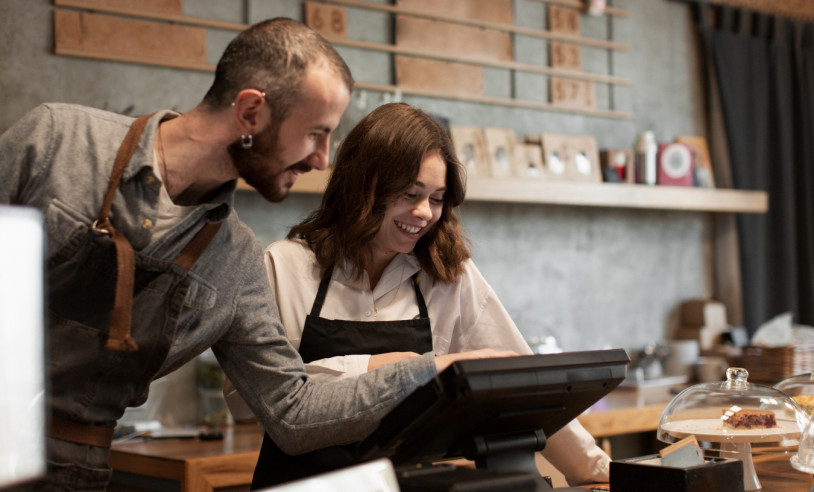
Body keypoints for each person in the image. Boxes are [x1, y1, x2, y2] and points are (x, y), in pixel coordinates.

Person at [0, 18, 510, 490]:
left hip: (75, 470)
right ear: (250, 113)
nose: (322, 160)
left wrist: (428, 371)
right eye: (316, 134)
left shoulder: (235, 259)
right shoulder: (59, 141)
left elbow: (291, 412)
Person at [224, 103, 611, 488]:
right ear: (363, 186)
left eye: (437, 198)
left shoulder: (448, 274)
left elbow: (524, 387)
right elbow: (244, 400)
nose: (424, 212)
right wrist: (396, 367)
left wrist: (597, 470)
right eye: (410, 194)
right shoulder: (284, 266)